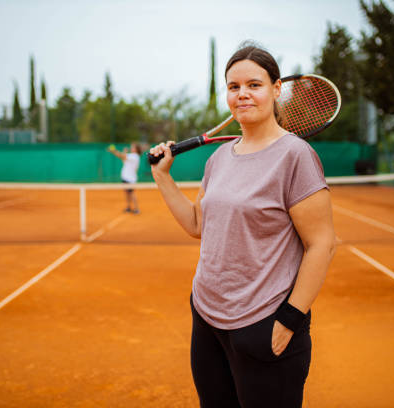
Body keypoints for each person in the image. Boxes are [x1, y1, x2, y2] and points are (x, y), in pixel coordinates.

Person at [149, 42, 336, 408]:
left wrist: (289, 319)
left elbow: (323, 243)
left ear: (276, 89)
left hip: (264, 323)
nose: (243, 94)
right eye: (234, 87)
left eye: (254, 84)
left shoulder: (295, 156)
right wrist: (162, 177)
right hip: (207, 316)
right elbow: (196, 224)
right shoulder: (220, 158)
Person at [108, 142, 141, 214]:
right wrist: (124, 152)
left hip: (130, 178)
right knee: (127, 193)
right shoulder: (132, 156)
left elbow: (122, 156)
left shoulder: (135, 156)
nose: (131, 148)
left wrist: (113, 151)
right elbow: (123, 159)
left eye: (133, 147)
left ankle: (136, 209)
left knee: (131, 193)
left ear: (136, 149)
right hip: (125, 177)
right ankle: (128, 207)